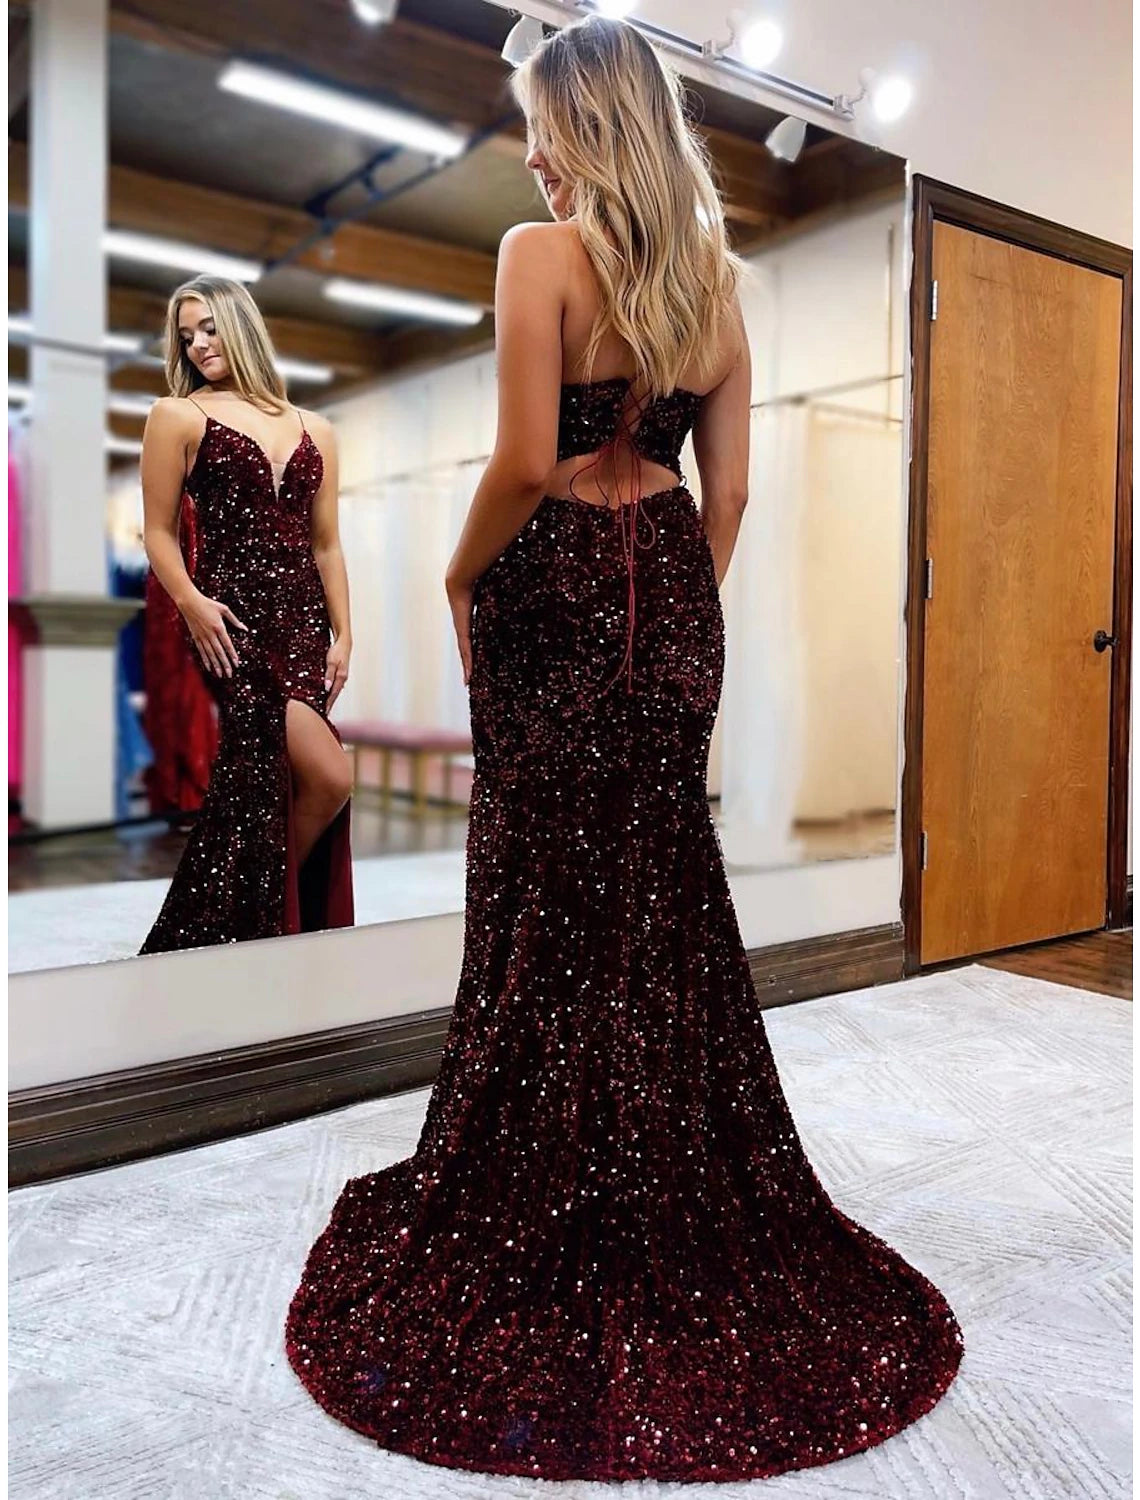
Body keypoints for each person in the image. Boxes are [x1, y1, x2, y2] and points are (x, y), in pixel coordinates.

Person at [285, 16, 963, 1483]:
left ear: (593, 123)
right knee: (656, 891)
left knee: (545, 891)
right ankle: (660, 1165)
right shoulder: (723, 285)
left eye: (542, 124)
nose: (531, 155)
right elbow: (729, 501)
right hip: (669, 600)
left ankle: (545, 1175)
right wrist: (670, 624)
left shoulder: (541, 257)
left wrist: (458, 577)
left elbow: (525, 461)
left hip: (550, 590)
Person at [138, 276, 354, 954]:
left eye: (208, 328)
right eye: (186, 337)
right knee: (330, 776)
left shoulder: (317, 428)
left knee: (268, 783)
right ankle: (249, 915)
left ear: (241, 325)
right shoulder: (177, 416)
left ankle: (239, 923)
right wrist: (191, 603)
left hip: (305, 625)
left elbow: (326, 543)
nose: (198, 345)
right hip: (232, 623)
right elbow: (158, 532)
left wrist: (346, 633)